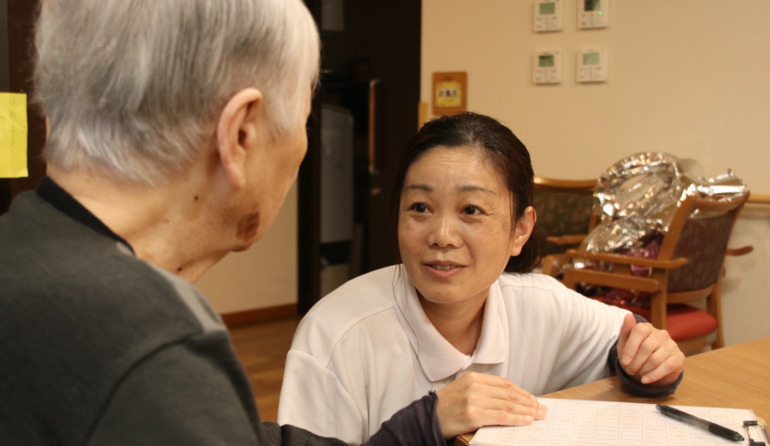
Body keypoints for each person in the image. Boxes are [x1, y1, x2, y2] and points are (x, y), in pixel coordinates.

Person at [0, 1, 447, 444]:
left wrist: (410, 434)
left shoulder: (25, 242)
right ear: (240, 135)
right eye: (302, 120)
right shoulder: (147, 350)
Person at [278, 112, 686, 443]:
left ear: (520, 230)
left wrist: (647, 362)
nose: (440, 236)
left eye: (471, 211)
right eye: (420, 207)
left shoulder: (539, 302)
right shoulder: (336, 334)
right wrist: (423, 426)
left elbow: (624, 341)